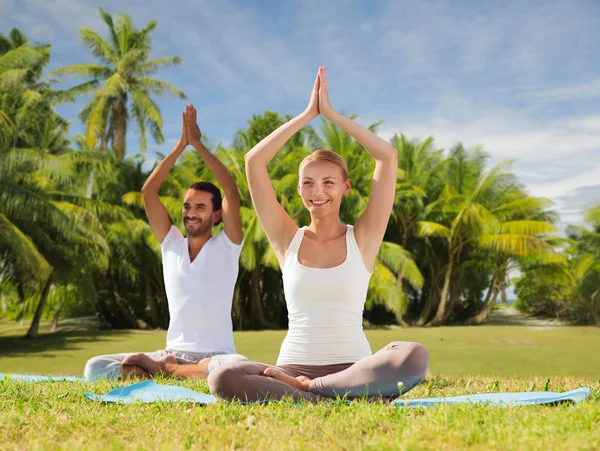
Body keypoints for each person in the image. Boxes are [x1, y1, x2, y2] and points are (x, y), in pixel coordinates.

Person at [208, 67, 429, 402]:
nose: (317, 191)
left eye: (328, 182)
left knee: (414, 354)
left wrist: (331, 114)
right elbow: (254, 161)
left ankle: (314, 393)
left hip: (353, 371)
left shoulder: (363, 240)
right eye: (308, 183)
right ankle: (333, 397)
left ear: (345, 187)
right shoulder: (287, 240)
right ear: (299, 190)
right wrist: (307, 115)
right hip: (290, 371)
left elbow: (388, 156)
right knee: (223, 376)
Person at [84, 105, 248, 381]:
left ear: (217, 215)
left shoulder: (228, 246)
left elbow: (230, 190)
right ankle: (174, 369)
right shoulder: (171, 244)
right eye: (186, 206)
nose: (190, 212)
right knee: (94, 367)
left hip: (217, 354)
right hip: (171, 351)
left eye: (199, 207)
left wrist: (198, 144)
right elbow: (149, 192)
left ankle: (164, 372)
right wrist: (181, 146)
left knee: (236, 366)